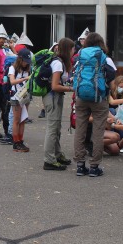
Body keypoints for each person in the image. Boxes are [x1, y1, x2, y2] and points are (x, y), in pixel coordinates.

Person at [73, 32, 115, 177]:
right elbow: (112, 80)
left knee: (80, 130)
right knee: (98, 131)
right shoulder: (104, 57)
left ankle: (80, 165)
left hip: (81, 96)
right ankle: (94, 166)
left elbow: (75, 73)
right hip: (99, 97)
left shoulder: (80, 55)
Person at [43, 37, 75, 171]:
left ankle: (57, 154)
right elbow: (55, 86)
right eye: (73, 48)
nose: (74, 51)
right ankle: (49, 160)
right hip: (53, 97)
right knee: (52, 128)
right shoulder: (58, 63)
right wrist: (71, 88)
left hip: (54, 97)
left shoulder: (59, 62)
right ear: (68, 49)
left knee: (56, 128)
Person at [7, 48, 32, 152]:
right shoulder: (12, 68)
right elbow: (12, 81)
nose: (26, 63)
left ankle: (20, 141)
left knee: (23, 119)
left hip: (24, 96)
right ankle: (16, 142)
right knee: (16, 120)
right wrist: (25, 79)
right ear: (20, 59)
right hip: (15, 97)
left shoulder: (28, 69)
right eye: (25, 61)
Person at [38, 42, 59, 119]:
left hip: (53, 79)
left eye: (58, 49)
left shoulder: (58, 58)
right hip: (47, 79)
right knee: (46, 95)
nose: (56, 50)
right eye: (55, 48)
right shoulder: (49, 57)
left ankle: (47, 111)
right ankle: (44, 110)